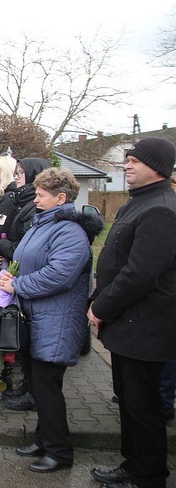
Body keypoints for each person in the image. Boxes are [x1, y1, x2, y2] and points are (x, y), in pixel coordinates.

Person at [0, 167, 102, 473]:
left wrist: (18, 285)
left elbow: (60, 274)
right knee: (39, 385)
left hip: (56, 321)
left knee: (47, 388)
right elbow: (26, 257)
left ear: (61, 197)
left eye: (42, 194)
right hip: (39, 318)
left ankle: (60, 452)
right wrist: (11, 273)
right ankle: (44, 440)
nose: (36, 198)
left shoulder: (68, 230)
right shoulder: (44, 222)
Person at [87, 138, 176, 488]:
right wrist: (97, 301)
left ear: (158, 167)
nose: (128, 166)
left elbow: (140, 273)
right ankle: (133, 463)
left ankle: (148, 475)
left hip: (146, 327)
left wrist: (101, 308)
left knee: (143, 406)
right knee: (129, 400)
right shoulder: (136, 204)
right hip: (128, 324)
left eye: (135, 161)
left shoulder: (162, 209)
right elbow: (113, 260)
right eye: (128, 160)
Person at [0, 157, 53, 411]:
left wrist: (3, 246)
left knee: (31, 344)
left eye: (21, 173)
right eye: (15, 172)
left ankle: (31, 392)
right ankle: (27, 388)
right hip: (18, 278)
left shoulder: (31, 207)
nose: (17, 177)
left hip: (27, 283)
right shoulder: (24, 203)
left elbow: (26, 247)